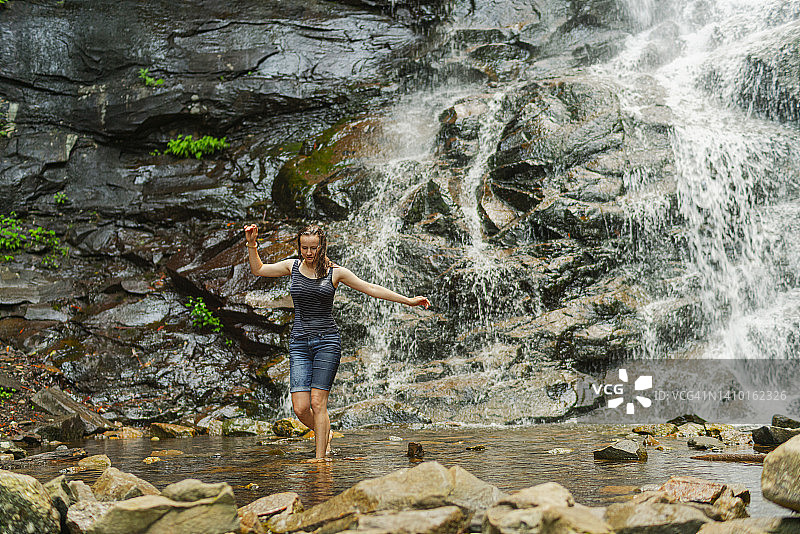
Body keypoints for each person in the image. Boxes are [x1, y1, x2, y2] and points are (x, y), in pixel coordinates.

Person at [243, 223, 431, 462]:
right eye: (304, 248)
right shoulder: (292, 266)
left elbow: (370, 287)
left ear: (322, 246)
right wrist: (251, 243)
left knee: (317, 402)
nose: (309, 253)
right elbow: (258, 269)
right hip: (299, 343)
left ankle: (320, 458)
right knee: (301, 408)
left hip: (326, 343)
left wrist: (408, 301)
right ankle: (325, 434)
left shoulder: (336, 272)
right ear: (299, 247)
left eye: (313, 248)